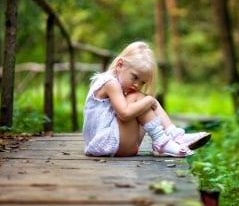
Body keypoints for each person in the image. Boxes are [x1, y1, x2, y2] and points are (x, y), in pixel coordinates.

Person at [82, 41, 211, 157]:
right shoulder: (110, 82)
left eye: (143, 82)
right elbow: (124, 114)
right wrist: (149, 101)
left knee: (143, 99)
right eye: (135, 77)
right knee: (140, 98)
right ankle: (162, 141)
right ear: (120, 65)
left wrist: (148, 100)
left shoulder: (119, 84)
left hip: (121, 144)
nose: (137, 85)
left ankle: (176, 136)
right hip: (108, 144)